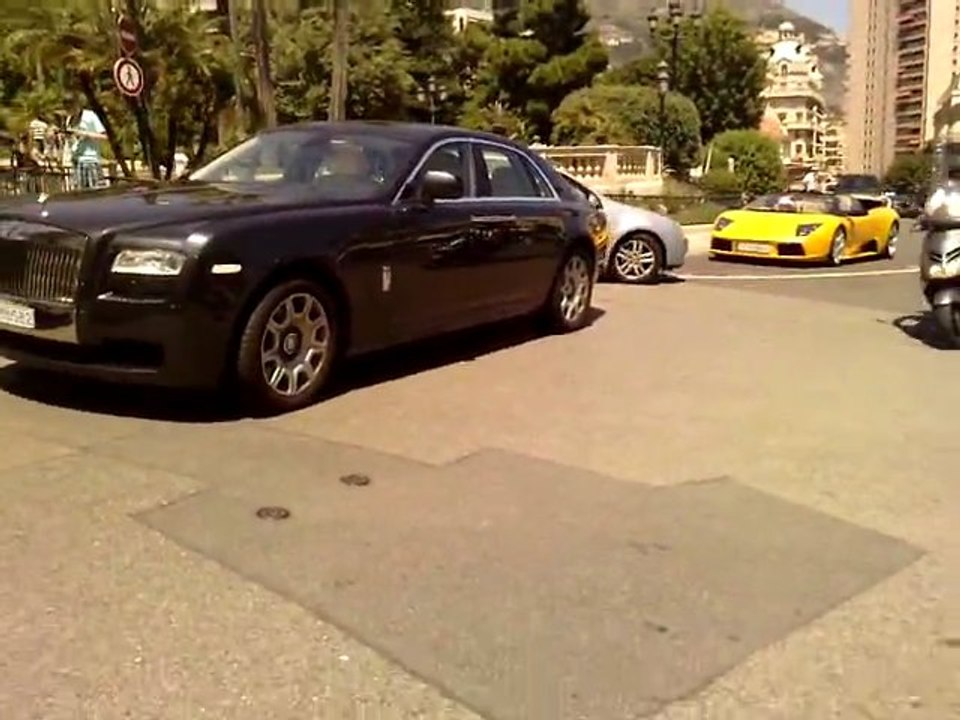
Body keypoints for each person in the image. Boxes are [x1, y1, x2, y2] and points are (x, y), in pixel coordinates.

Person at [65, 100, 107, 190]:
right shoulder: (69, 119)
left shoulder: (90, 116)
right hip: (76, 162)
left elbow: (104, 136)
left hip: (90, 162)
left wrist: (85, 134)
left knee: (95, 193)